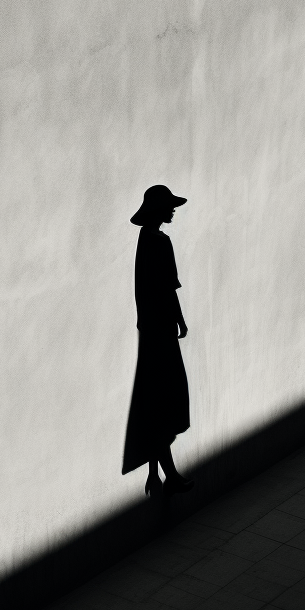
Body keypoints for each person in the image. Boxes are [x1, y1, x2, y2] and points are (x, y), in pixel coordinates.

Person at [121, 185, 195, 495]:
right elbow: (169, 289)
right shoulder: (160, 242)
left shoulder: (144, 241)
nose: (174, 210)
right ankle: (168, 473)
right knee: (165, 400)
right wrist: (180, 320)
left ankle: (157, 472)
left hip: (151, 330)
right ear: (159, 210)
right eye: (170, 206)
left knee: (155, 399)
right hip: (161, 331)